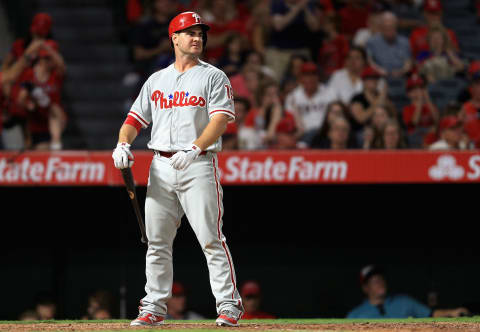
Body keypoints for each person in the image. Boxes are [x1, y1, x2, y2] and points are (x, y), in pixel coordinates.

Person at [112, 12, 244, 327]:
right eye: (190, 33)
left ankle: (229, 306)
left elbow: (220, 119)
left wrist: (196, 147)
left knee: (211, 239)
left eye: (200, 33)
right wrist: (123, 144)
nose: (197, 38)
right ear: (174, 38)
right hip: (161, 166)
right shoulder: (156, 79)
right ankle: (154, 308)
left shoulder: (213, 76)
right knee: (156, 241)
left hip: (197, 164)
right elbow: (133, 121)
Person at [347, 265, 470, 318]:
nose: (380, 282)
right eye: (374, 281)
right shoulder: (355, 315)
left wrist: (453, 312)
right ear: (365, 288)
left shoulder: (404, 301)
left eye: (381, 279)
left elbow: (430, 314)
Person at [16, 40, 67, 150]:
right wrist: (29, 104)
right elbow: (21, 98)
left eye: (51, 58)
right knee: (42, 149)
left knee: (54, 108)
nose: (49, 62)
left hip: (54, 118)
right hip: (36, 120)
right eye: (46, 58)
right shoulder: (30, 74)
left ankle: (56, 143)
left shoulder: (56, 74)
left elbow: (62, 65)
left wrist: (46, 47)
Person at [265, 0, 320, 80]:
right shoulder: (277, 3)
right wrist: (297, 8)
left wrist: (305, 10)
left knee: (305, 78)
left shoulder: (309, 3)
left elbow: (315, 27)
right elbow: (278, 26)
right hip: (279, 51)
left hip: (301, 50)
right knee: (274, 79)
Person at [284, 62, 336, 146]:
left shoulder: (329, 93)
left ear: (318, 77)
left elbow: (336, 115)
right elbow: (290, 120)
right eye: (306, 75)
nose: (310, 78)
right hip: (303, 134)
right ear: (301, 78)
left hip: (325, 132)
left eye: (313, 75)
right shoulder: (293, 97)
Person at [366, 11, 412, 78]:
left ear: (396, 27)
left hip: (402, 76)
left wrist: (402, 71)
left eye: (391, 27)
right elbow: (370, 62)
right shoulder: (372, 42)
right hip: (379, 76)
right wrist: (382, 72)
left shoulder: (405, 42)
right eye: (386, 28)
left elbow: (408, 62)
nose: (389, 31)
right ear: (381, 28)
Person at [402, 74, 439, 148]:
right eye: (413, 89)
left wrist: (427, 99)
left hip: (431, 142)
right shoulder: (407, 109)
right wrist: (420, 101)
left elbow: (437, 120)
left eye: (420, 88)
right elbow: (414, 123)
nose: (417, 91)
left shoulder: (430, 106)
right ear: (408, 94)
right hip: (414, 142)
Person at [459, 72, 480, 148]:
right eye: (477, 84)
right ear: (472, 88)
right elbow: (458, 129)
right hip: (471, 148)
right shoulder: (465, 108)